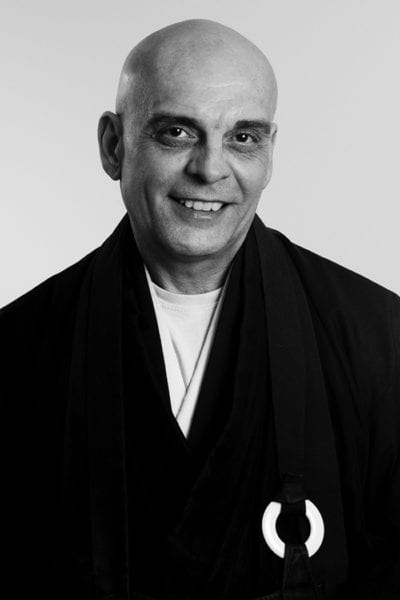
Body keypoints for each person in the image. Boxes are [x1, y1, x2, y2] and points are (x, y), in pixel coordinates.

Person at [1, 18, 399, 600]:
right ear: (114, 146)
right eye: (177, 133)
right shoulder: (18, 350)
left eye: (243, 137)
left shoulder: (377, 339)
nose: (210, 169)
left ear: (270, 153)